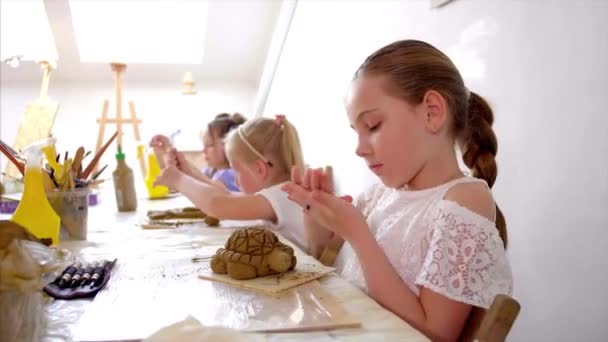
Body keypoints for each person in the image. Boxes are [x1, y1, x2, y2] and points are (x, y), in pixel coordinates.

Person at [282, 40, 513, 341]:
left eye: (373, 126)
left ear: (432, 112)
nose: (360, 149)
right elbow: (329, 266)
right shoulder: (381, 196)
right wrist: (316, 215)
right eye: (357, 132)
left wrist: (359, 235)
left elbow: (433, 332)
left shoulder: (464, 199)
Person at [154, 115, 310, 252]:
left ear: (260, 169)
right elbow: (226, 194)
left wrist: (179, 180)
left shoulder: (283, 196)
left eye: (237, 171)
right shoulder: (281, 192)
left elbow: (217, 204)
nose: (235, 179)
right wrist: (188, 172)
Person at [150, 112, 246, 192]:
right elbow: (185, 181)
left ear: (229, 145)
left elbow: (206, 188)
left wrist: (169, 153)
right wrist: (164, 155)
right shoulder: (210, 171)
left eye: (209, 145)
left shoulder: (230, 175)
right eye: (204, 145)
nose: (203, 150)